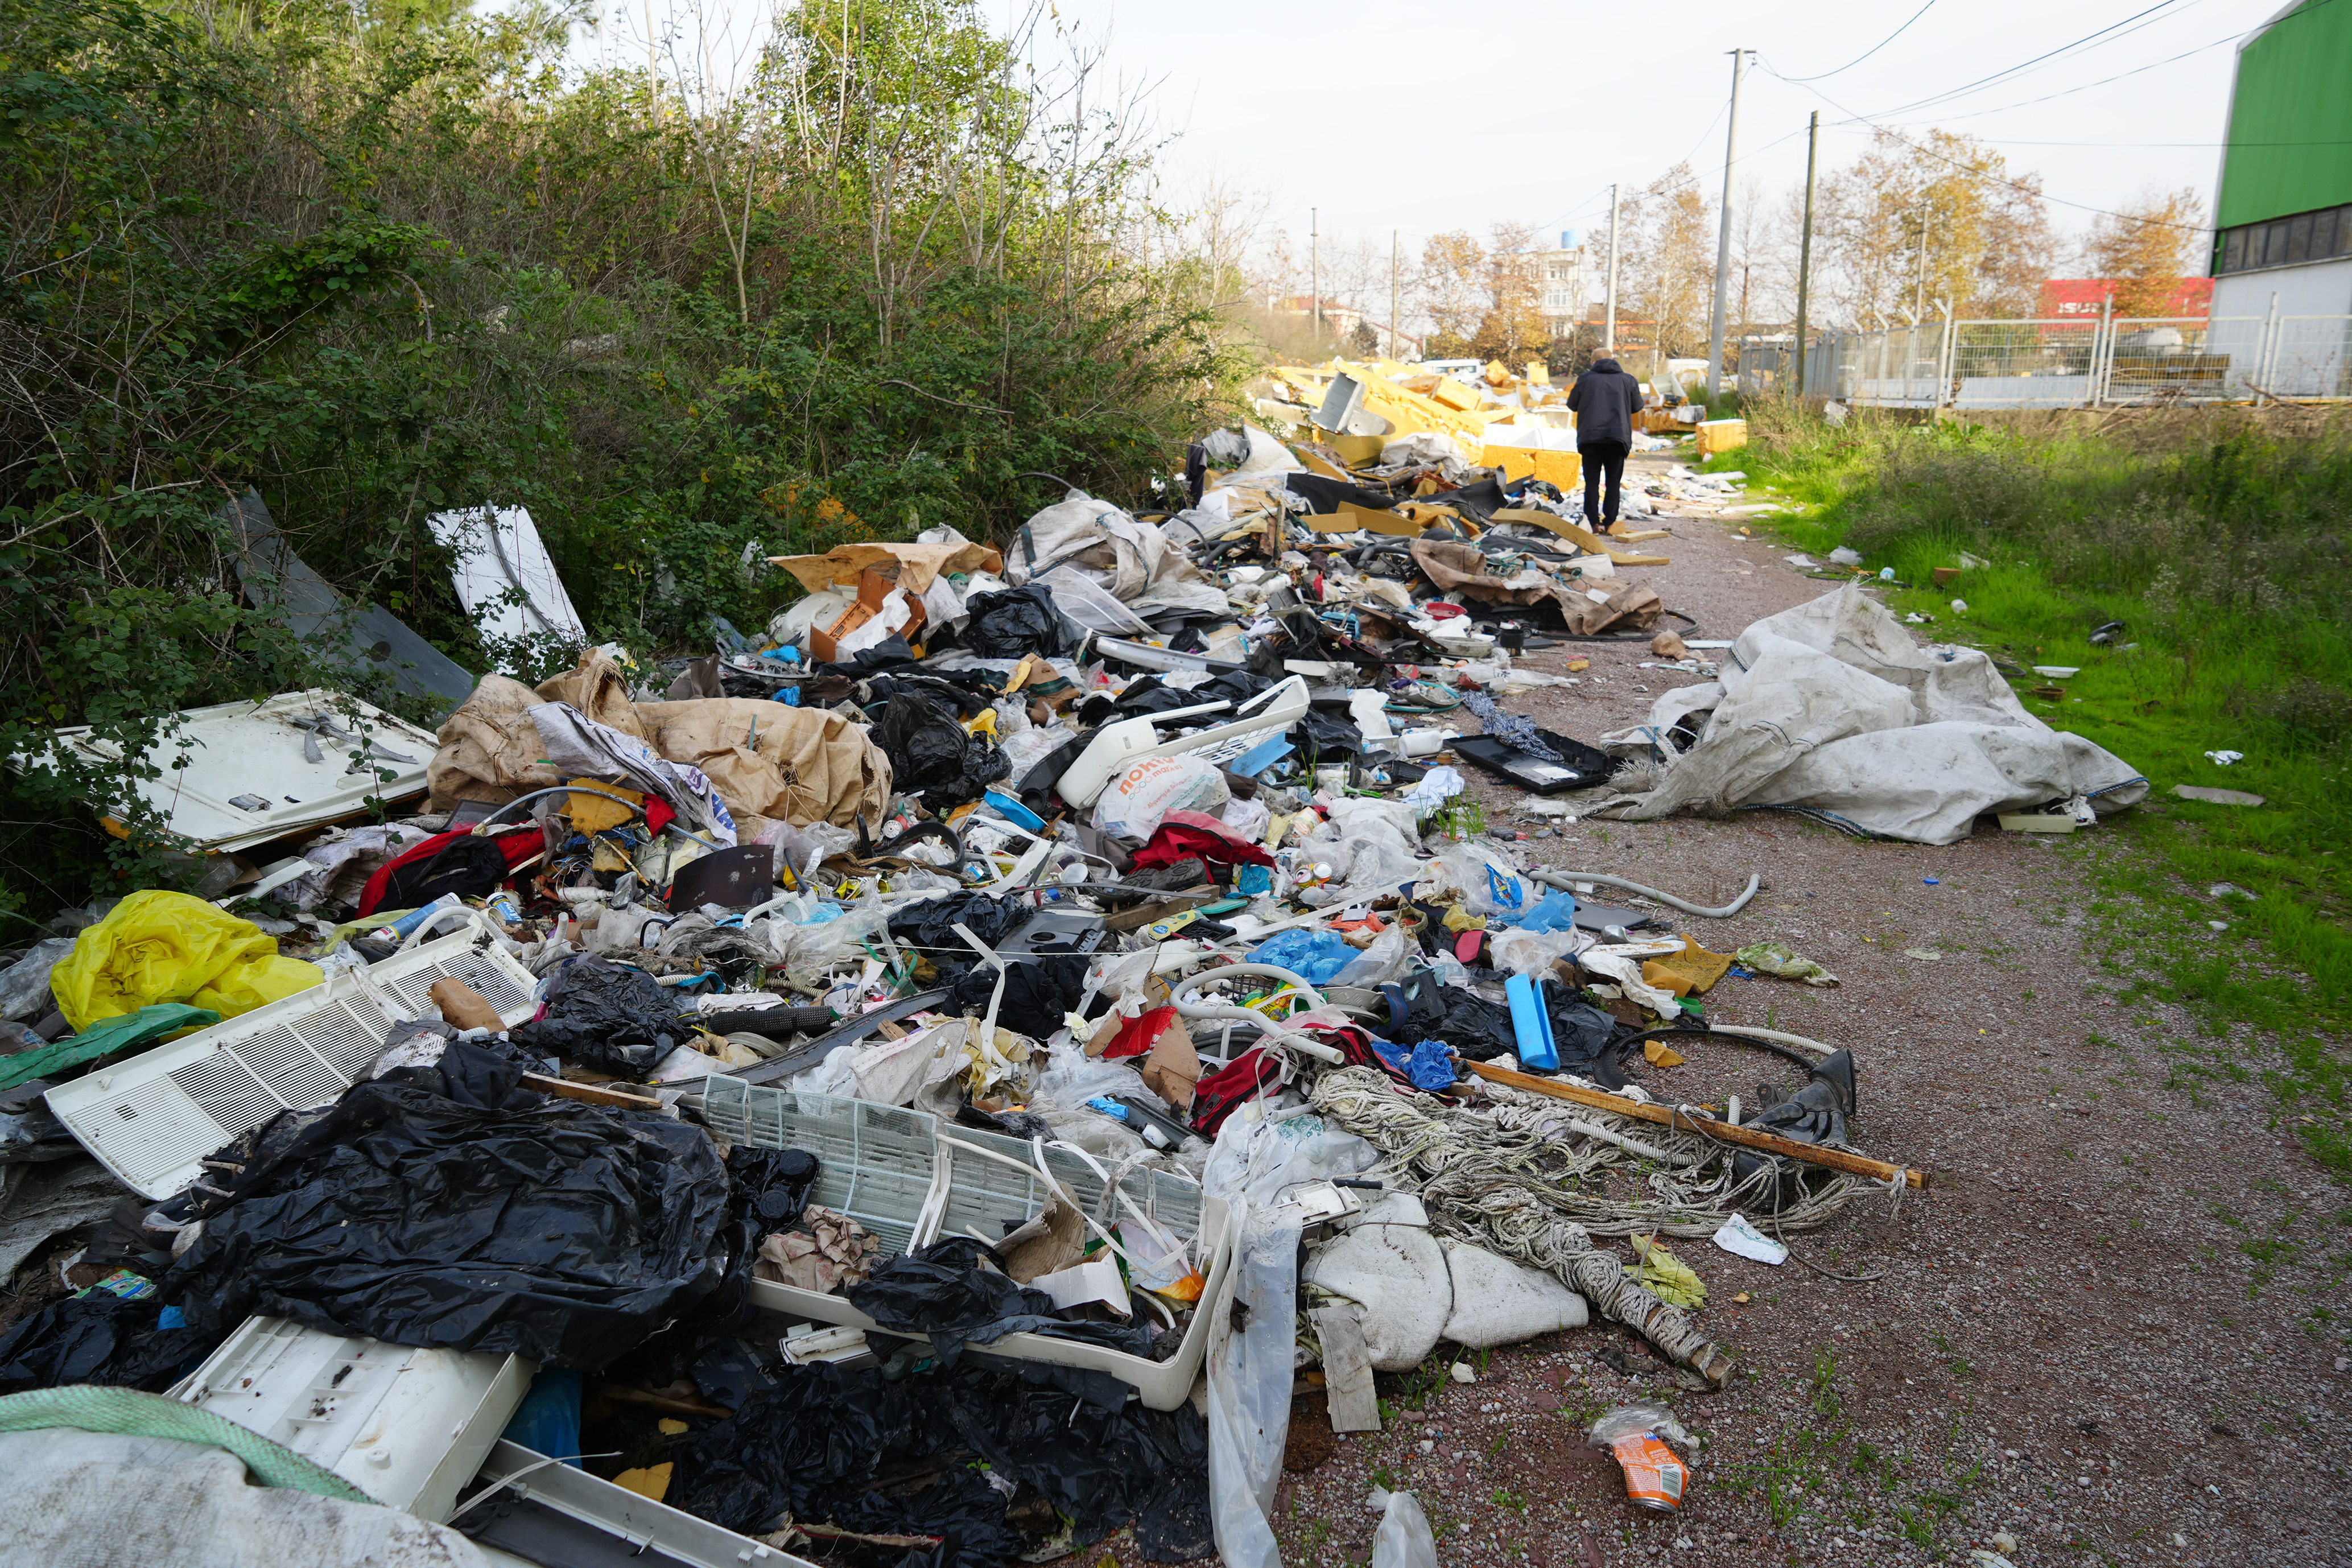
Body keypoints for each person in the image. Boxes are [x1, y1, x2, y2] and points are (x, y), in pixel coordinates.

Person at [1566, 353, 1644, 532]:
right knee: (1614, 482)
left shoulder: (1585, 379)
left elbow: (1572, 405)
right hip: (1618, 438)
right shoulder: (1628, 380)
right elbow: (1637, 406)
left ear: (1593, 361)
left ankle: (1592, 523)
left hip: (1590, 438)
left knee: (1592, 482)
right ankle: (1610, 522)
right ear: (1613, 359)